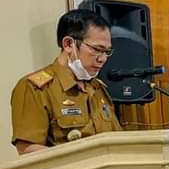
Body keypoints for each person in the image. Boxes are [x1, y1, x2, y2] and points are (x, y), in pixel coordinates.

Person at [10, 9, 122, 155]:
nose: (102, 59)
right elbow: (28, 150)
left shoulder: (97, 88)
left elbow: (118, 140)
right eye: (97, 49)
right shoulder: (35, 88)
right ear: (69, 44)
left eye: (107, 52)